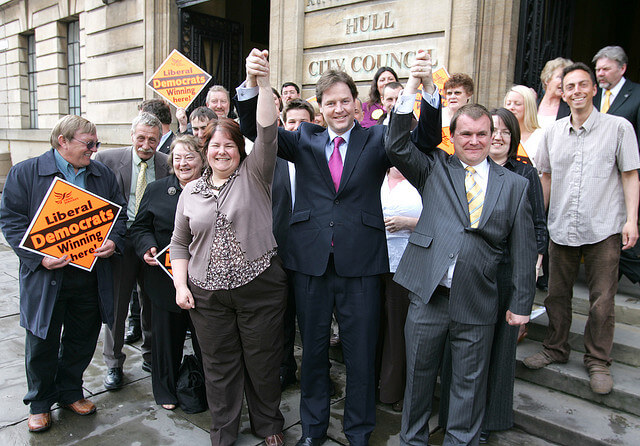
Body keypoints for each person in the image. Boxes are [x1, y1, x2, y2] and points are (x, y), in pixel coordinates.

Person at [235, 50, 441, 446]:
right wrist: (254, 83)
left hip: (361, 264)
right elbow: (256, 131)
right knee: (312, 353)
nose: (339, 108)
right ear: (319, 107)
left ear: (358, 104)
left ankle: (359, 432)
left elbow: (426, 139)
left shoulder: (378, 138)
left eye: (345, 100)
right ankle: (312, 431)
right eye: (330, 102)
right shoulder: (303, 139)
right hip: (310, 263)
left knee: (361, 354)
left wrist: (426, 88)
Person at [387, 50, 537, 446]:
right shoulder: (434, 167)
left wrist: (522, 302)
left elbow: (524, 247)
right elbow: (398, 144)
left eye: (481, 134)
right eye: (465, 134)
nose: (473, 141)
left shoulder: (515, 185)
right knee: (418, 381)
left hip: (479, 299)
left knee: (468, 388)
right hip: (429, 295)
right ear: (453, 137)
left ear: (494, 137)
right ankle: (412, 441)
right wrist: (416, 88)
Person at [171, 49, 286, 446]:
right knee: (219, 367)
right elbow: (179, 243)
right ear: (205, 151)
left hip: (260, 287)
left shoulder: (256, 174)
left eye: (229, 146)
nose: (221, 151)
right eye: (214, 146)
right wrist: (180, 285)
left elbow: (268, 132)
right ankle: (224, 430)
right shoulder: (191, 192)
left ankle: (268, 423)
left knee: (262, 361)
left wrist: (263, 82)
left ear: (240, 150)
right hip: (207, 294)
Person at [0, 115, 128, 432]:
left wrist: (114, 241)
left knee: (82, 340)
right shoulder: (26, 172)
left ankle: (71, 391)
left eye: (95, 143)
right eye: (88, 143)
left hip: (88, 277)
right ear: (63, 141)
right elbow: (11, 220)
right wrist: (39, 258)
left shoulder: (102, 174)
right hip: (45, 279)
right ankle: (40, 403)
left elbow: (120, 216)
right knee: (41, 342)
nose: (94, 149)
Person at [523, 63, 640, 396]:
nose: (575, 91)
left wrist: (631, 220)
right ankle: (556, 348)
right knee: (557, 295)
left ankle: (598, 360)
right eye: (569, 86)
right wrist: (537, 222)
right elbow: (544, 178)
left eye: (582, 85)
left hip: (604, 227)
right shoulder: (553, 133)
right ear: (562, 92)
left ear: (594, 89)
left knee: (602, 300)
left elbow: (630, 175)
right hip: (561, 226)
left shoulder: (619, 128)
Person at [439, 107, 547, 443]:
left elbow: (537, 231)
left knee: (497, 354)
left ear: (512, 138)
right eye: (493, 130)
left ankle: (486, 422)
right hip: (466, 277)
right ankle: (454, 419)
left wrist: (524, 280)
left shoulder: (524, 176)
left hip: (503, 276)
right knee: (462, 356)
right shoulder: (459, 168)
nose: (497, 136)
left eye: (504, 131)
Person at [128, 135, 205, 411]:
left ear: (202, 158)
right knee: (164, 340)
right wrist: (147, 247)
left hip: (204, 282)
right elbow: (139, 227)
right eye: (177, 158)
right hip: (164, 281)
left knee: (206, 341)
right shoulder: (157, 189)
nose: (183, 163)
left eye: (189, 157)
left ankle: (207, 389)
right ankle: (166, 391)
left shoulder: (213, 188)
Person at [95, 112, 170, 390]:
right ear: (132, 136)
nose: (146, 145)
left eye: (153, 139)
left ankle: (151, 354)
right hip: (119, 242)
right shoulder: (107, 160)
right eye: (141, 138)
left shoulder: (167, 163)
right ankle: (114, 364)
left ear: (160, 139)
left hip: (152, 242)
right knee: (116, 305)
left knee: (152, 302)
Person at [276, 98, 315, 391]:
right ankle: (284, 368)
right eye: (292, 122)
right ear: (283, 125)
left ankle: (317, 372)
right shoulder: (269, 159)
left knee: (313, 320)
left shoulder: (324, 158)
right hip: (276, 253)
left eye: (305, 122)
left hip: (313, 254)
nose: (298, 128)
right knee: (281, 317)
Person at [377, 166, 421, 412]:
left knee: (397, 328)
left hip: (406, 263)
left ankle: (393, 390)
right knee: (373, 326)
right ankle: (370, 383)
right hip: (372, 262)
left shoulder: (420, 177)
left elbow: (440, 218)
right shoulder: (376, 174)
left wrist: (408, 223)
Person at [592, 46, 640, 144]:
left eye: (606, 69)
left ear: (622, 69)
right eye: (598, 69)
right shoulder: (592, 93)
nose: (600, 74)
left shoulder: (637, 94)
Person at [504, 85, 542, 163]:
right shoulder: (498, 134)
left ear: (529, 107)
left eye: (517, 104)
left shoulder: (541, 136)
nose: (511, 107)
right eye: (508, 103)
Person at [439, 73, 474, 154]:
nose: (452, 97)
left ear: (469, 95)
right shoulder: (436, 116)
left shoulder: (476, 118)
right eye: (449, 93)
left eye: (457, 93)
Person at [537, 58, 573, 127]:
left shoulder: (571, 110)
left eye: (566, 78)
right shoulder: (532, 105)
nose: (564, 82)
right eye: (560, 77)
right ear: (547, 79)